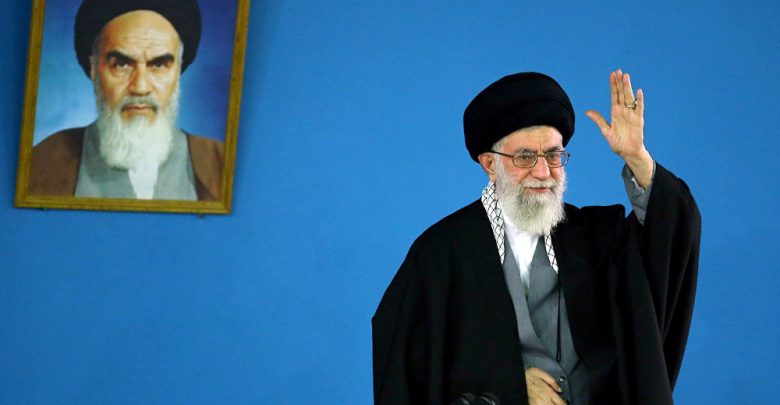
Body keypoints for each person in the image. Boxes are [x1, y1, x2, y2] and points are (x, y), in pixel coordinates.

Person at [372, 71, 700, 404]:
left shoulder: (595, 238)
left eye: (553, 156)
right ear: (489, 164)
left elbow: (669, 237)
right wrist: (509, 387)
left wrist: (637, 157)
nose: (543, 172)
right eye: (525, 157)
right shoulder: (441, 252)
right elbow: (406, 376)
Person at [28, 0, 223, 201]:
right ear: (94, 68)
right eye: (121, 64)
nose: (140, 87)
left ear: (178, 71)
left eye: (158, 65)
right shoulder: (44, 163)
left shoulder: (220, 163)